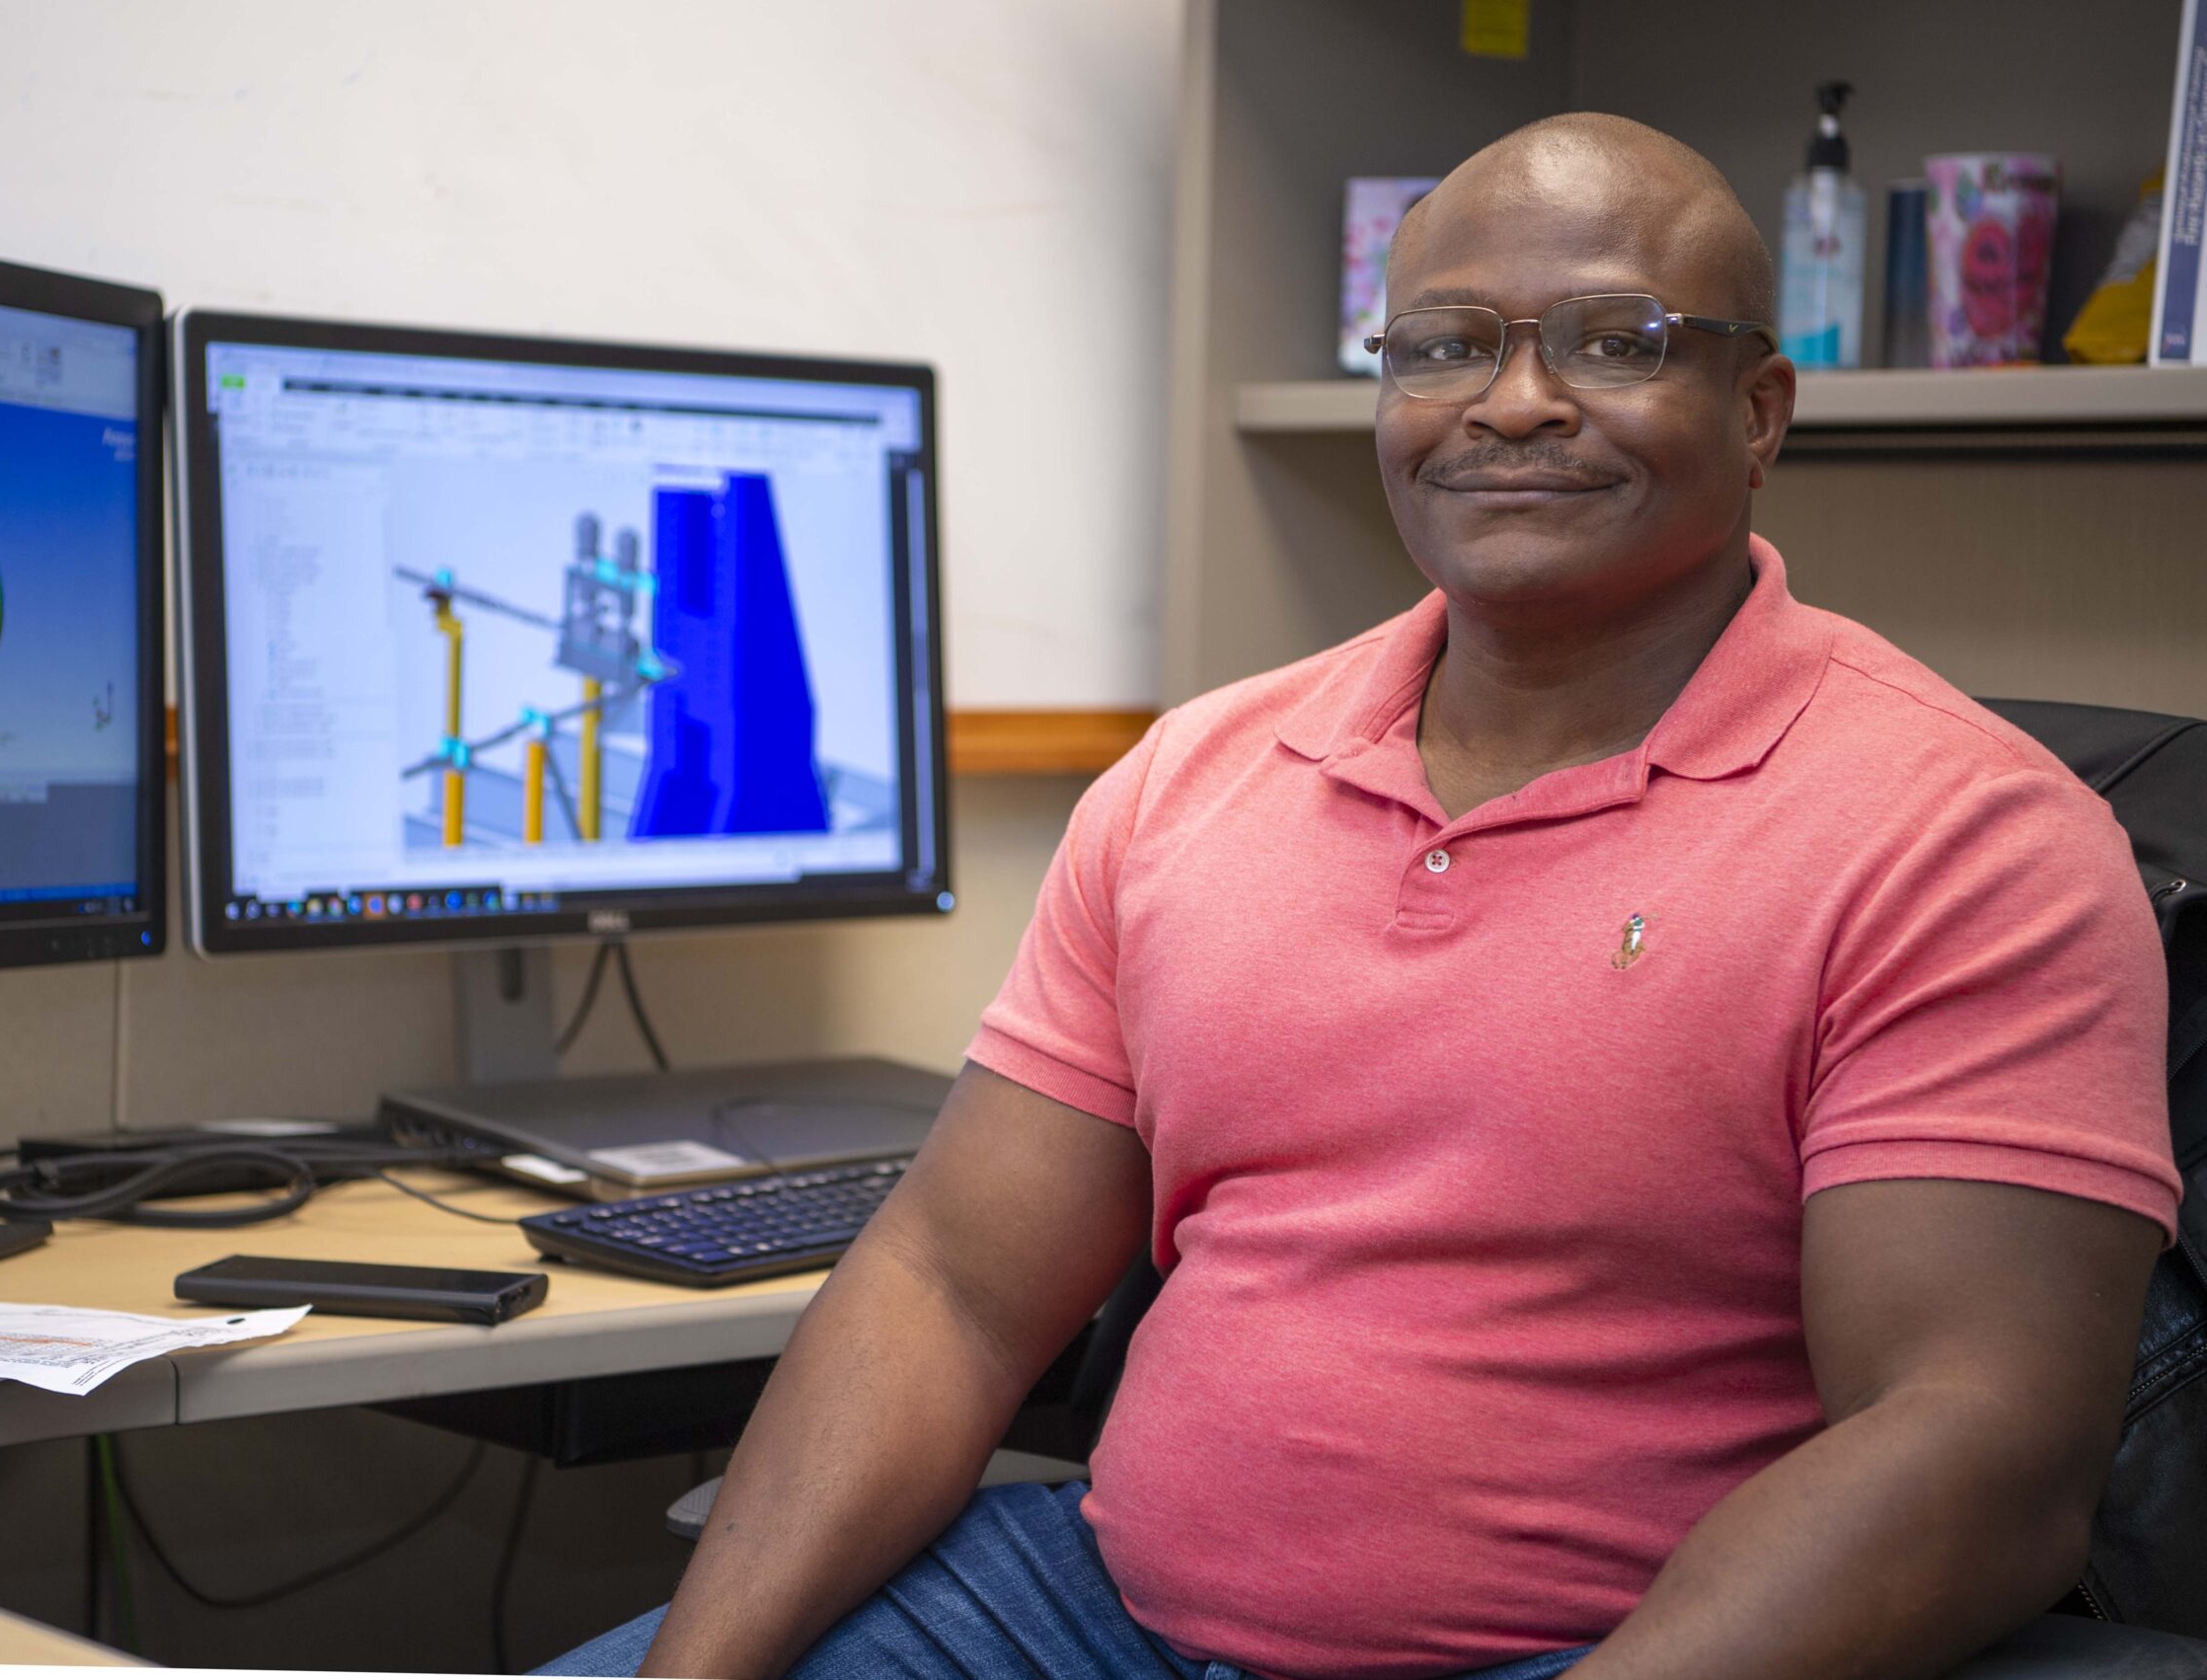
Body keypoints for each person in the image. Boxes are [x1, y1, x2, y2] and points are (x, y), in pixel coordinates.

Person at [541, 114, 2176, 1680]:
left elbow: (1975, 1451)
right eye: (1445, 345)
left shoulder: (1965, 836)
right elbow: (949, 1289)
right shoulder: (1194, 778)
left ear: (1758, 409)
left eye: (1614, 341)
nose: (1514, 403)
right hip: (1089, 1618)